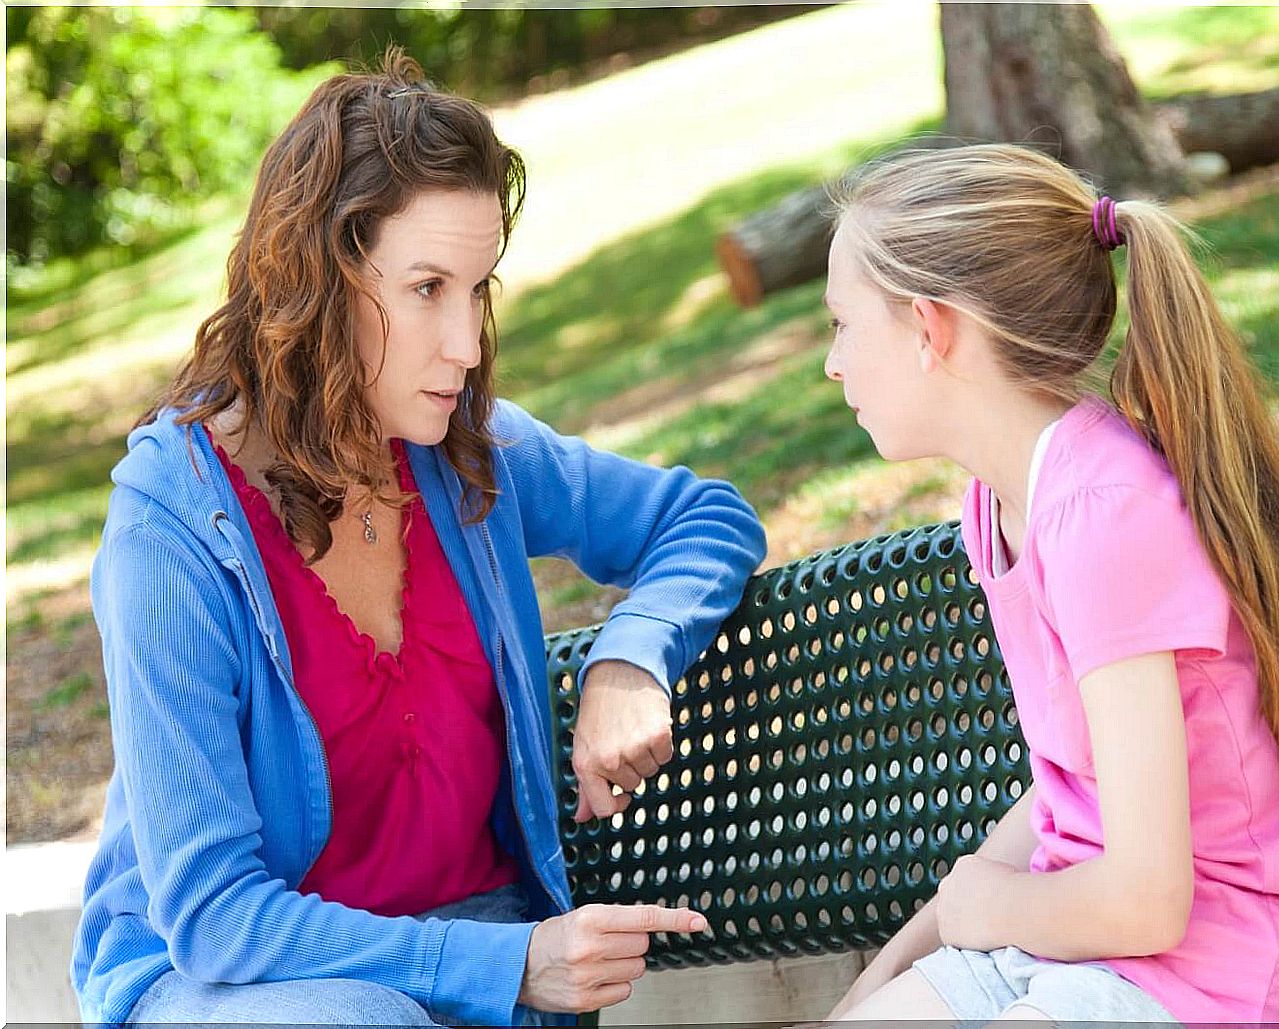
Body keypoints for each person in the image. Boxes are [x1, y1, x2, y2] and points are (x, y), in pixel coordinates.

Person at [71, 51, 766, 1028]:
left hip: (475, 948)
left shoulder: (464, 452)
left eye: (476, 288)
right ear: (316, 282)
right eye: (427, 287)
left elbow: (705, 518)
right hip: (235, 985)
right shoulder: (173, 536)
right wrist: (505, 963)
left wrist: (632, 654)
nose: (468, 345)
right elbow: (217, 920)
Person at [818, 143, 1279, 1025]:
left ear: (930, 329)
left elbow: (1146, 901)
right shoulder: (1000, 498)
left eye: (842, 325)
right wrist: (881, 974)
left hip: (1211, 970)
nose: (832, 364)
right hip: (1068, 936)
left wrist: (988, 908)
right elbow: (1068, 779)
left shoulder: (1102, 513)